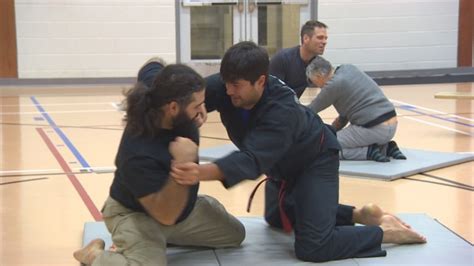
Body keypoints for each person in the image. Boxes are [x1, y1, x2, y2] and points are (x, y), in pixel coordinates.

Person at [170, 41, 426, 263]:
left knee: (314, 246)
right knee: (276, 218)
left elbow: (252, 160)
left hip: (314, 162)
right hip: (282, 168)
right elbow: (189, 95)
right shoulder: (232, 84)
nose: (227, 91)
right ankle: (358, 214)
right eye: (225, 83)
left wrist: (199, 172)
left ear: (260, 81)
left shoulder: (281, 110)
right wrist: (194, 106)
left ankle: (385, 232)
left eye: (235, 85)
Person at [73, 60, 245, 266]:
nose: (202, 111)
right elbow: (166, 215)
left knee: (235, 235)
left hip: (179, 209)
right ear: (173, 107)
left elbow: (152, 65)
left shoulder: (160, 92)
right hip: (135, 213)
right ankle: (95, 256)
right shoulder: (137, 154)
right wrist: (183, 163)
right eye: (197, 106)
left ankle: (159, 237)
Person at [306, 56, 407, 162]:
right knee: (334, 138)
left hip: (373, 128)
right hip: (392, 123)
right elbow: (343, 117)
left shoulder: (332, 85)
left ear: (318, 76)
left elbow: (310, 110)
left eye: (314, 82)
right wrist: (332, 131)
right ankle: (386, 148)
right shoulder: (349, 68)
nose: (316, 86)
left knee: (326, 146)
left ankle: (368, 152)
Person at [269, 20, 328, 98]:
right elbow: (273, 93)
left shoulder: (320, 64)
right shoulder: (282, 59)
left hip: (309, 106)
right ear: (306, 38)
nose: (324, 42)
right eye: (320, 38)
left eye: (325, 38)